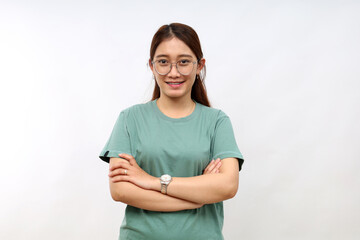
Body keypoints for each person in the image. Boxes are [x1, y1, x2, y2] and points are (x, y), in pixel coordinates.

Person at [99, 23, 244, 240]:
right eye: (163, 62)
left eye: (184, 62)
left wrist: (152, 181)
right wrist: (198, 197)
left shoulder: (217, 122)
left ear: (199, 65)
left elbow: (228, 185)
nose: (173, 72)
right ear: (151, 65)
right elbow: (121, 190)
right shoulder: (130, 119)